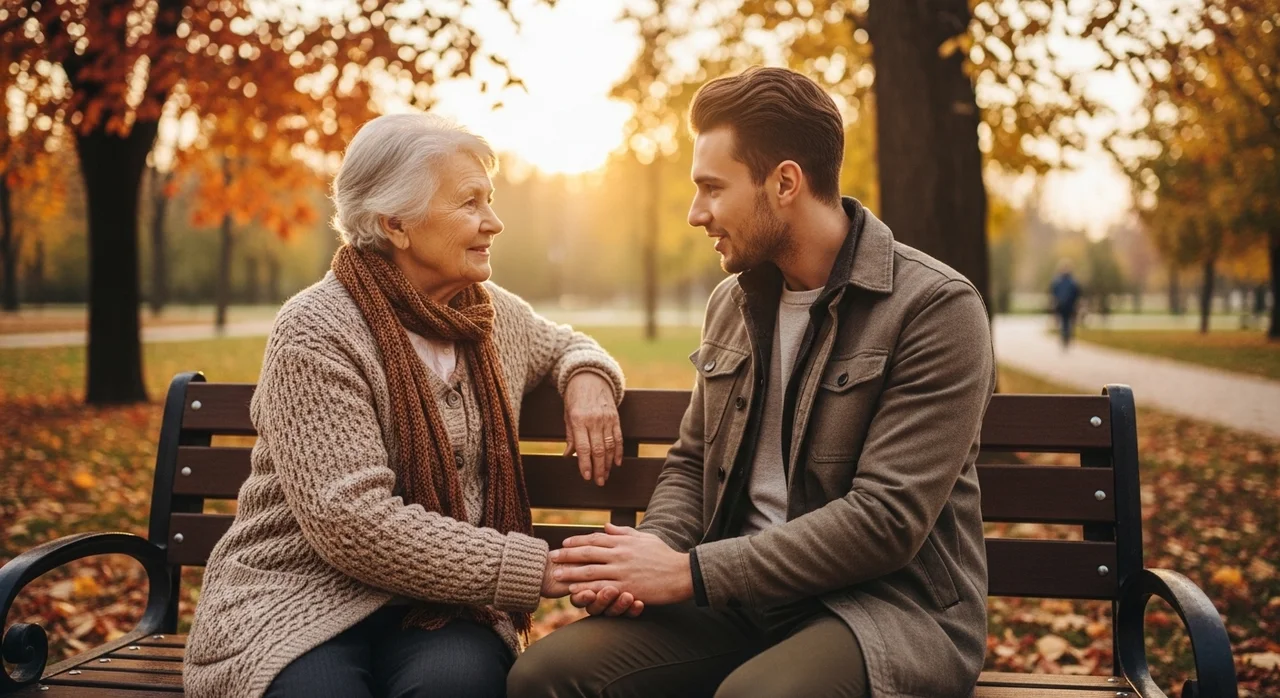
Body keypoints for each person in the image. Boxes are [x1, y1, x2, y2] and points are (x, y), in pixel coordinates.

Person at [511, 67, 995, 698]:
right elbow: (691, 463)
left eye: (713, 188)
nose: (695, 214)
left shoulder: (935, 308)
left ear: (785, 182)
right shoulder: (732, 303)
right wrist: (645, 561)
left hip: (884, 611)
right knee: (544, 677)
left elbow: (886, 519)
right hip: (738, 600)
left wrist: (687, 573)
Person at [184, 113, 628, 698]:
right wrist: (529, 567)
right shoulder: (316, 329)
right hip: (297, 594)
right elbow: (351, 521)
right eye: (469, 203)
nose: (493, 223)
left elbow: (565, 343)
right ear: (395, 224)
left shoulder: (487, 314)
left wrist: (589, 378)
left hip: (442, 606)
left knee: (457, 687)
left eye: (489, 201)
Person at [1050, 260, 1082, 347]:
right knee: (1064, 322)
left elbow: (1077, 294)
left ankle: (1067, 337)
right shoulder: (1059, 281)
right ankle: (1065, 337)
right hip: (1062, 305)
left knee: (1068, 322)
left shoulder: (1072, 282)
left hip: (1070, 305)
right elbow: (1054, 293)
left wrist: (1077, 304)